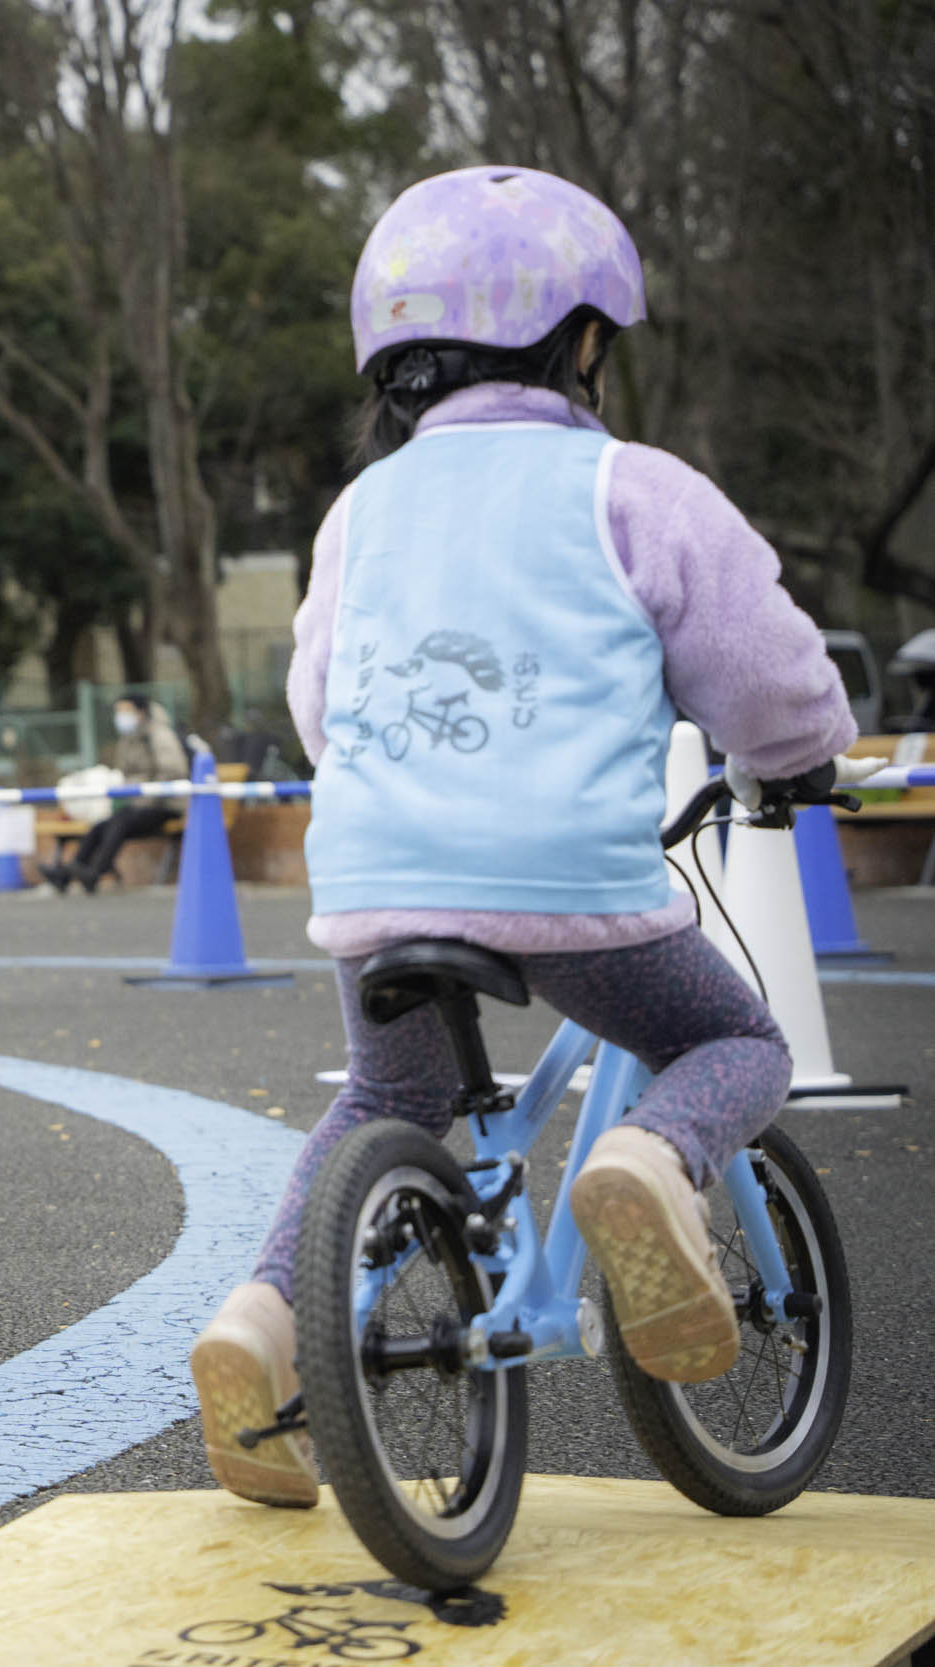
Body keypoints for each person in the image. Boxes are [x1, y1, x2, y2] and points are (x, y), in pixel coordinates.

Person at [187, 165, 864, 1510]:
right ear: (586, 339)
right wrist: (796, 759)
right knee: (737, 1041)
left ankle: (264, 1324)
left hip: (378, 877)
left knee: (386, 1098)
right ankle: (650, 1157)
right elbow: (766, 672)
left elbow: (320, 699)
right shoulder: (634, 489)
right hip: (566, 881)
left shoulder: (359, 509)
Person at [40, 695, 189, 893]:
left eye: (125, 711)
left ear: (141, 712)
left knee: (120, 822)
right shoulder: (129, 739)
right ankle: (66, 875)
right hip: (139, 803)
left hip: (165, 804)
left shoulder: (158, 735)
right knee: (102, 825)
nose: (120, 716)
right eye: (118, 711)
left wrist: (144, 789)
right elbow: (123, 773)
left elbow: (174, 770)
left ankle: (97, 872)